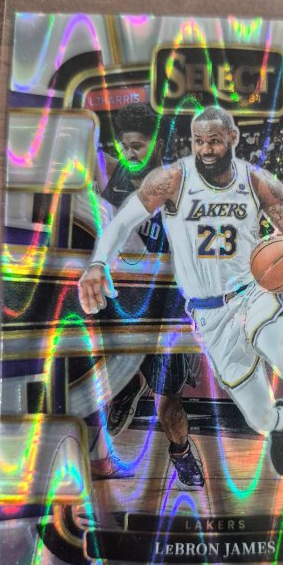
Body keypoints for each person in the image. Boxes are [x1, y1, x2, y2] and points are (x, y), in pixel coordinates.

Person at [79, 105, 283, 477]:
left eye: (214, 141)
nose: (206, 149)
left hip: (253, 295)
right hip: (209, 314)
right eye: (199, 141)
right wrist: (98, 263)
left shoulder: (256, 181)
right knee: (258, 416)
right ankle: (281, 421)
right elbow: (123, 221)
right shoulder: (172, 180)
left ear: (232, 138)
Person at [87, 103, 204, 488]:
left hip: (165, 308)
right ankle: (129, 385)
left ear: (155, 145)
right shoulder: (114, 177)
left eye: (136, 146)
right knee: (100, 376)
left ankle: (181, 451)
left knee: (169, 404)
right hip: (123, 302)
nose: (129, 154)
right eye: (124, 146)